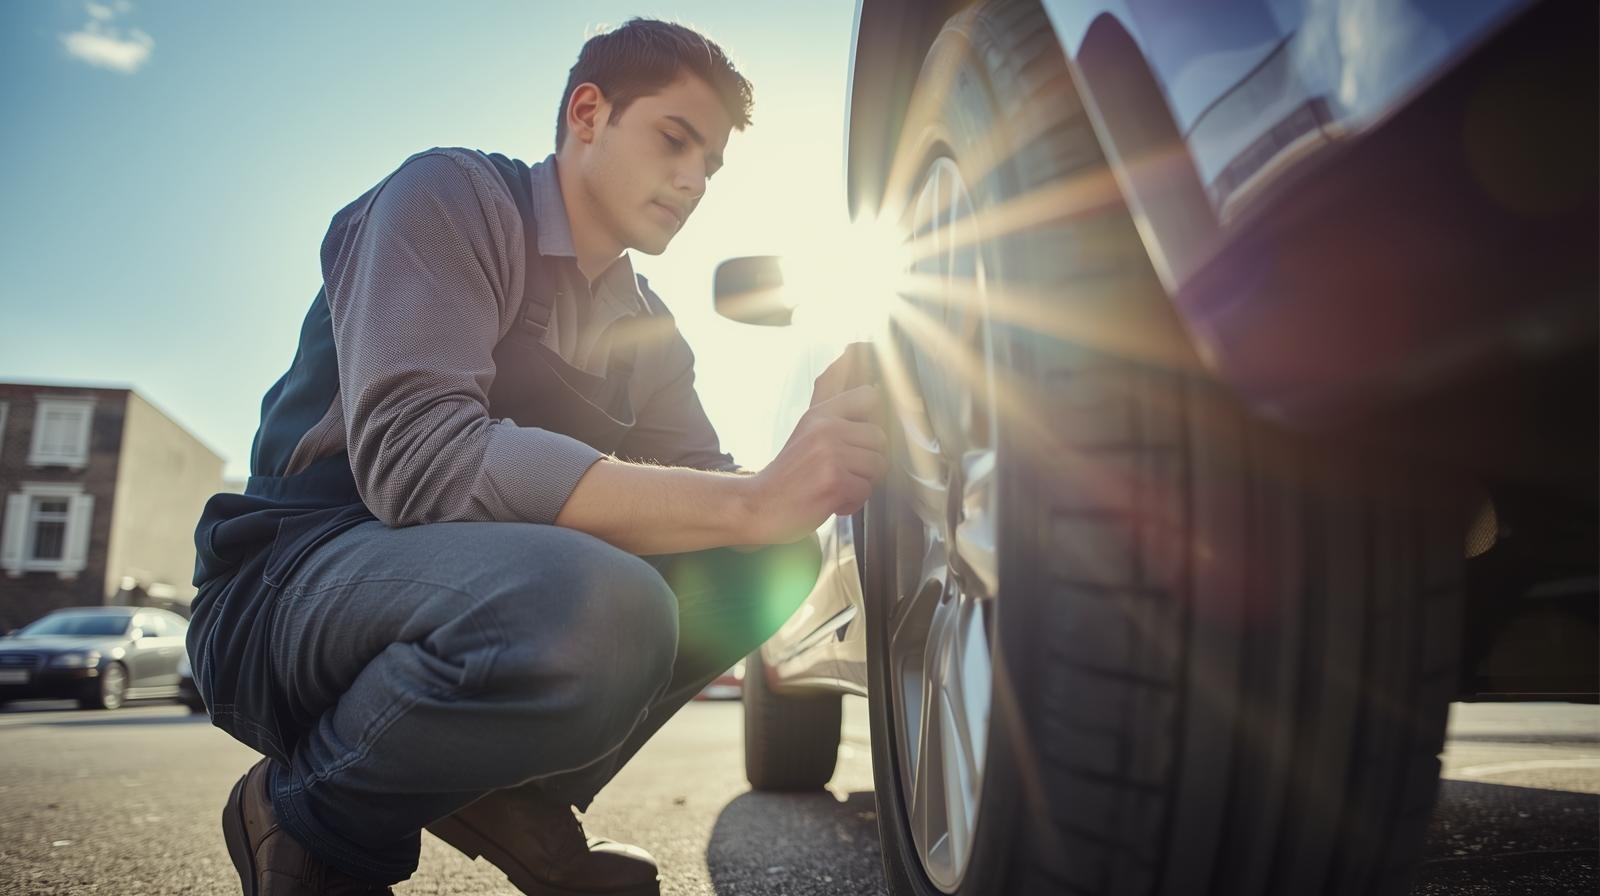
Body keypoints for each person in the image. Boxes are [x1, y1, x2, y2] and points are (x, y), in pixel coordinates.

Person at [187, 18, 887, 896]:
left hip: (477, 596)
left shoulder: (650, 331)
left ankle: (510, 796)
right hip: (288, 591)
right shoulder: (449, 197)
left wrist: (796, 469)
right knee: (601, 601)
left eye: (711, 165)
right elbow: (422, 464)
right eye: (675, 140)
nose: (693, 180)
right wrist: (749, 500)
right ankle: (307, 812)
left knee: (765, 559)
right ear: (588, 113)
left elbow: (718, 502)